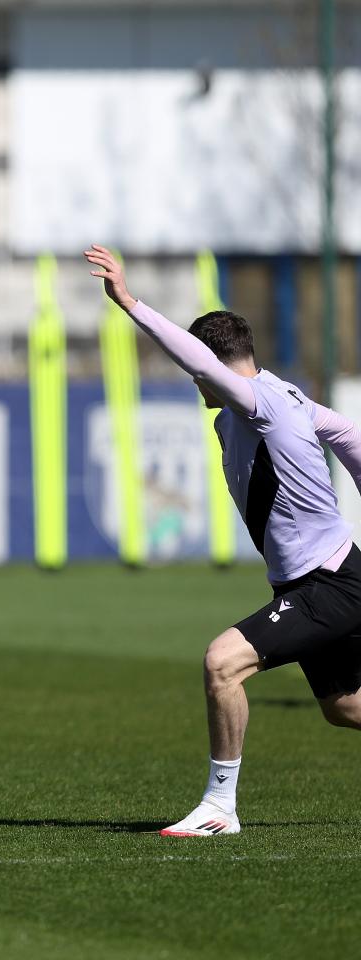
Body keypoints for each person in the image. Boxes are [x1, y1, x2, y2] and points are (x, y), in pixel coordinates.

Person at [86, 243, 361, 836]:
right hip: (325, 575)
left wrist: (131, 303)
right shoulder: (281, 400)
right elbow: (350, 434)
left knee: (222, 663)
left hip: (328, 583)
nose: (195, 382)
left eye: (196, 371)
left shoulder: (261, 402)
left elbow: (211, 369)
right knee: (345, 707)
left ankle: (219, 807)